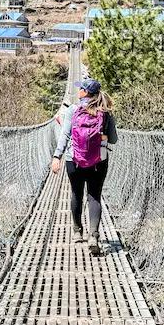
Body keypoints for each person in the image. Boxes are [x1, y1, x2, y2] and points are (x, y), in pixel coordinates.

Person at [51, 78, 118, 255]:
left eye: (80, 88)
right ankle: (94, 236)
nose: (78, 90)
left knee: (76, 193)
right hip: (99, 160)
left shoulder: (73, 110)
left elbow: (65, 135)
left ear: (86, 93)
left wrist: (57, 156)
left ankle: (77, 231)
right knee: (94, 196)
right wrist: (101, 137)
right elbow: (113, 139)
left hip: (73, 159)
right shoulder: (106, 112)